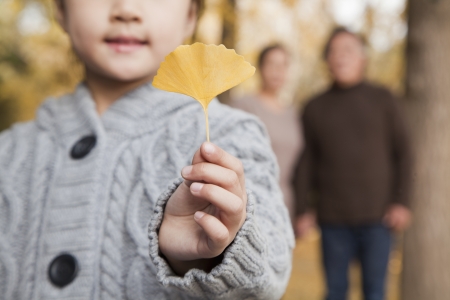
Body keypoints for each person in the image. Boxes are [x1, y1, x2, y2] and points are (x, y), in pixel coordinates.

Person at [0, 1, 295, 299]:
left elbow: (271, 272)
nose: (126, 9)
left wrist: (207, 255)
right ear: (60, 9)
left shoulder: (232, 134)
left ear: (191, 14)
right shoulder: (9, 152)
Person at [293, 28, 412, 300]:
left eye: (348, 50)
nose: (341, 57)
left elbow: (404, 153)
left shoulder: (384, 99)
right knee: (335, 292)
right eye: (334, 51)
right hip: (333, 220)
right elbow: (306, 162)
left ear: (362, 58)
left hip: (379, 220)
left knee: (375, 292)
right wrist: (303, 209)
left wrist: (401, 202)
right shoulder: (314, 107)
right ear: (328, 61)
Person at [231, 45, 303, 225]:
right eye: (272, 64)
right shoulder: (244, 106)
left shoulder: (293, 114)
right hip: (250, 203)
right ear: (260, 68)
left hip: (284, 203)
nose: (278, 71)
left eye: (283, 65)